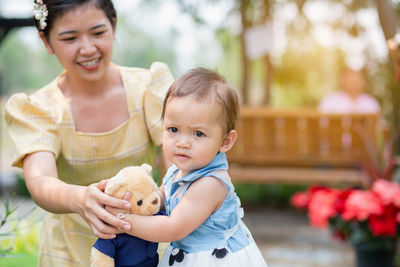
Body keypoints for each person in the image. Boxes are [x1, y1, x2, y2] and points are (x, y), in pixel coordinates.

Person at [4, 0, 174, 266]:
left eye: (98, 33)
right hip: (69, 251)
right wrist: (80, 198)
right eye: (69, 38)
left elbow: (179, 165)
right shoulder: (40, 107)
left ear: (113, 26)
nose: (87, 48)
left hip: (147, 246)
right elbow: (39, 181)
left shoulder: (147, 89)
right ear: (46, 42)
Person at [107, 68, 268, 267]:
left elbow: (173, 228)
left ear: (225, 141)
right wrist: (132, 200)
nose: (182, 142)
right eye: (173, 129)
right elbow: (161, 202)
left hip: (214, 259)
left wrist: (121, 219)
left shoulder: (210, 184)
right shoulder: (178, 171)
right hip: (188, 255)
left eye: (198, 134)